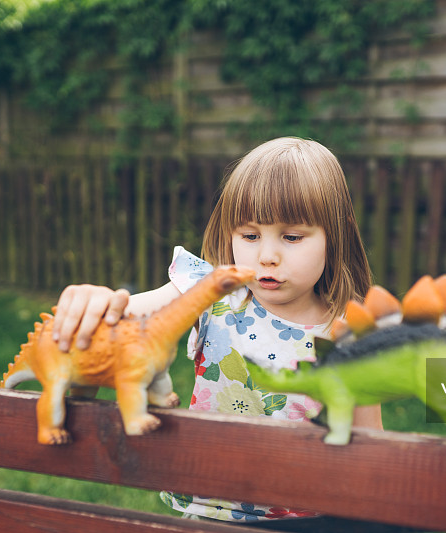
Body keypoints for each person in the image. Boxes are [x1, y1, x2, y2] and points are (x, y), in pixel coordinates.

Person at [51, 137, 384, 527]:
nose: (267, 256)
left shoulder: (352, 334)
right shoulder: (209, 290)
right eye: (249, 235)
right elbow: (124, 315)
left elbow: (373, 453)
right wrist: (99, 301)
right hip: (206, 516)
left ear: (336, 234)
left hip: (303, 521)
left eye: (291, 237)